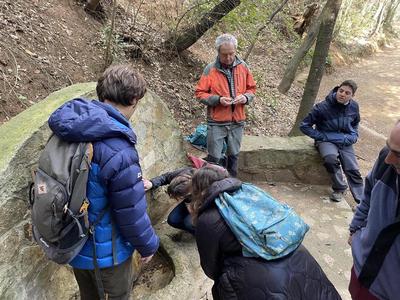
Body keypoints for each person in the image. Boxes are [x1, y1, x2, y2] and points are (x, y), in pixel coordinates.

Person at [48, 64, 159, 300]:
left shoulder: (71, 127)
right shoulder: (119, 149)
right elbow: (131, 213)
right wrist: (148, 245)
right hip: (108, 255)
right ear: (133, 99)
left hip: (73, 242)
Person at [191, 165, 341, 300]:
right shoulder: (253, 192)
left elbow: (211, 267)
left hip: (253, 278)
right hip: (301, 259)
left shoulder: (208, 218)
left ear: (198, 189)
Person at [348, 120, 400, 300]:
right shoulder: (387, 161)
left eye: (398, 154)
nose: (388, 159)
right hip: (362, 273)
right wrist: (355, 228)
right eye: (389, 147)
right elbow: (368, 193)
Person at [195, 33, 256, 177]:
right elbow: (200, 93)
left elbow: (252, 89)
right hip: (216, 122)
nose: (228, 58)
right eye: (224, 54)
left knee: (233, 156)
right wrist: (218, 100)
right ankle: (211, 187)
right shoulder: (210, 69)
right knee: (214, 158)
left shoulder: (243, 67)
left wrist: (245, 97)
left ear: (236, 51)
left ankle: (231, 184)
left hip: (237, 121)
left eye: (231, 54)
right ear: (218, 52)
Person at [300, 80, 363, 203]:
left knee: (353, 169)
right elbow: (304, 126)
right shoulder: (322, 107)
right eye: (341, 91)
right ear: (337, 90)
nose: (343, 94)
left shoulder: (354, 106)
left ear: (352, 96)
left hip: (345, 140)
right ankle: (339, 188)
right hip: (326, 141)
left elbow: (355, 123)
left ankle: (362, 201)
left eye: (347, 93)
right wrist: (320, 136)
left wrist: (354, 134)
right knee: (330, 159)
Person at [143, 167, 196, 235]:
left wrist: (195, 213)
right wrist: (152, 183)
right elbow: (165, 177)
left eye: (180, 197)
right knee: (172, 220)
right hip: (190, 201)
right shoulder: (182, 175)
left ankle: (203, 234)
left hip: (205, 205)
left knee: (189, 223)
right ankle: (193, 231)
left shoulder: (206, 185)